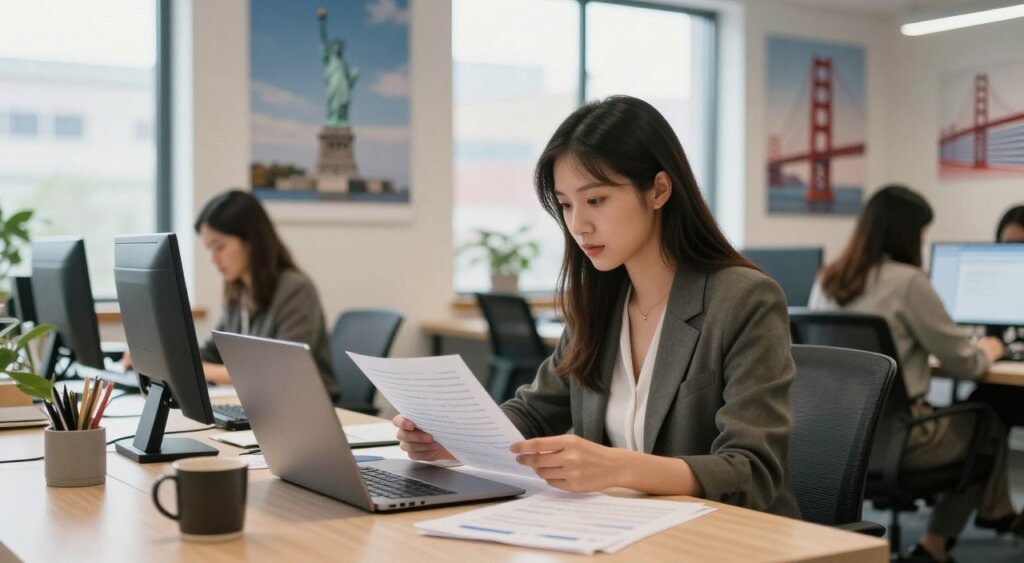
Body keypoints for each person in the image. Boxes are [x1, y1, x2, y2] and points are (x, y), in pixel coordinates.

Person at [395, 96, 800, 516]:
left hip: (730, 539)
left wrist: (618, 467)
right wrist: (454, 439)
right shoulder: (600, 301)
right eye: (566, 204)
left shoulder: (744, 299)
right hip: (621, 531)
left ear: (659, 190)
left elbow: (752, 471)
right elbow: (534, 413)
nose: (578, 225)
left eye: (596, 200)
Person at [808, 186, 1019, 562]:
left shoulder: (827, 280)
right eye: (922, 234)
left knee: (974, 419)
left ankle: (996, 515)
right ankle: (941, 542)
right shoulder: (908, 282)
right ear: (907, 234)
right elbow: (965, 364)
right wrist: (990, 348)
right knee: (987, 424)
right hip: (901, 439)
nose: (923, 242)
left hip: (835, 439)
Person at [192, 190, 338, 400]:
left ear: (250, 242)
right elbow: (212, 352)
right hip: (260, 403)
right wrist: (167, 361)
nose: (212, 258)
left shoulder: (296, 289)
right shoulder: (238, 290)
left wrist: (204, 371)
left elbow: (281, 370)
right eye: (209, 249)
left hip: (302, 406)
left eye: (220, 247)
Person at [969, 205, 1024, 429]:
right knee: (979, 404)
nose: (1013, 254)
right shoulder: (993, 287)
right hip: (998, 385)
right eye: (1006, 245)